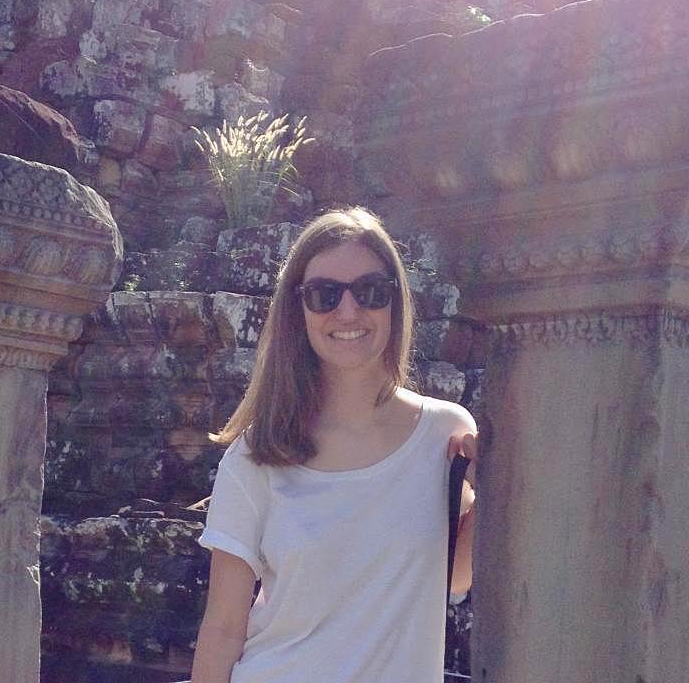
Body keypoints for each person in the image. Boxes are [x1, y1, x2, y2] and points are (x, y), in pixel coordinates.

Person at [191, 207, 479, 683]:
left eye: (369, 291)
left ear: (394, 301)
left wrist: (489, 487)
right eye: (324, 295)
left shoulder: (445, 433)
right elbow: (223, 628)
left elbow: (453, 579)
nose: (348, 312)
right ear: (297, 309)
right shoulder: (257, 452)